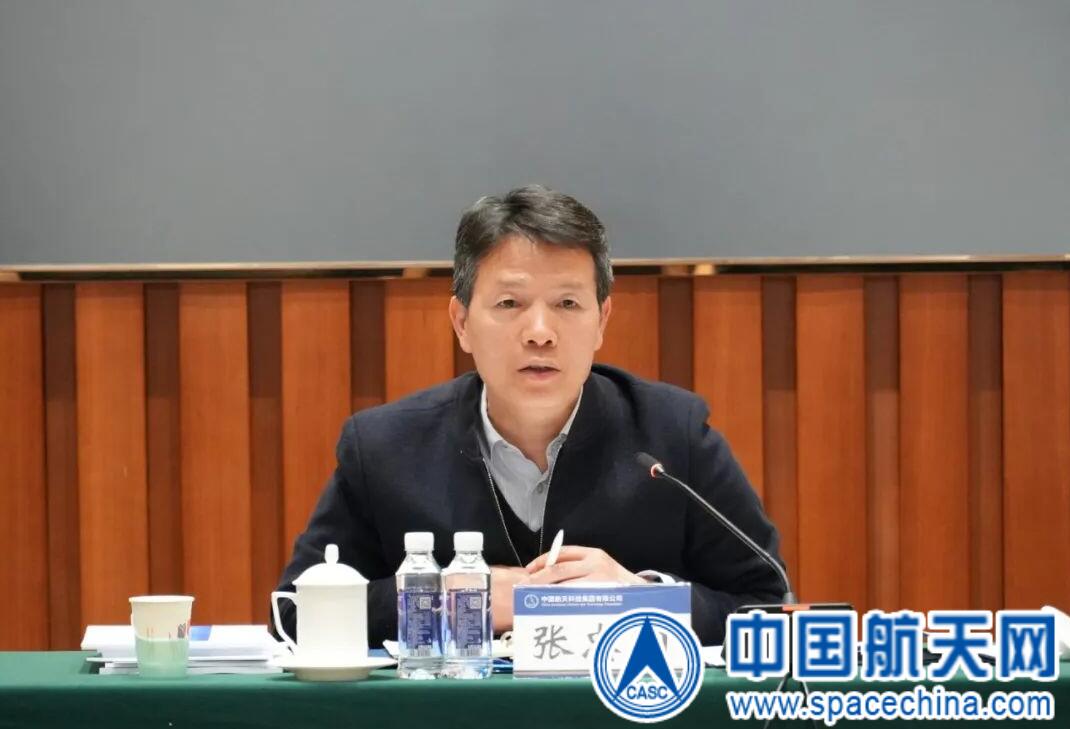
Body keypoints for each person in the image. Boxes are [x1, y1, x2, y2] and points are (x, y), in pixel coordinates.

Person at [274, 184, 785, 647]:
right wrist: (448, 599)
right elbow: (291, 613)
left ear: (602, 321)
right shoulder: (386, 448)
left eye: (567, 303)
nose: (540, 332)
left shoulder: (672, 438)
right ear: (461, 322)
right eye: (509, 303)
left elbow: (770, 607)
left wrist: (639, 599)